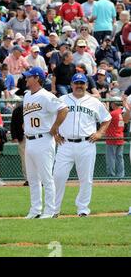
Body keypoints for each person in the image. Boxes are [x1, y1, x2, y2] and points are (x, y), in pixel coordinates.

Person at [54, 73, 111, 217]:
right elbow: (49, 117)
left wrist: (100, 133)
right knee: (58, 176)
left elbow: (107, 118)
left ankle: (83, 209)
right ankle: (53, 209)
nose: (79, 85)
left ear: (86, 85)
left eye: (82, 83)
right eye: (76, 82)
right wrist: (54, 132)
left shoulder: (94, 102)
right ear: (71, 84)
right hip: (65, 143)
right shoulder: (61, 100)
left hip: (86, 143)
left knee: (86, 179)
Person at [22, 67, 68, 219]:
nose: (26, 79)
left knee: (47, 178)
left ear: (37, 78)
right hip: (30, 140)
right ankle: (35, 210)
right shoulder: (27, 95)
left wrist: (55, 127)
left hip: (43, 140)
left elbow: (63, 109)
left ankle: (50, 210)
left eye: (29, 77)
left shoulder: (46, 96)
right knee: (33, 179)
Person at [105, 97, 125, 180]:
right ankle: (120, 176)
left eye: (112, 103)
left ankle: (111, 177)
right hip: (120, 137)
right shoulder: (122, 112)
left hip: (112, 138)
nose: (111, 104)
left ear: (114, 104)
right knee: (119, 158)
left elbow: (104, 122)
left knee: (111, 158)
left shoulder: (113, 113)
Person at [11, 102, 27, 185]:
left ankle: (38, 179)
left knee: (36, 159)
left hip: (36, 137)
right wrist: (15, 137)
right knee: (25, 159)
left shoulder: (38, 107)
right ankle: (28, 179)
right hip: (23, 137)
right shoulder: (18, 109)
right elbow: (13, 124)